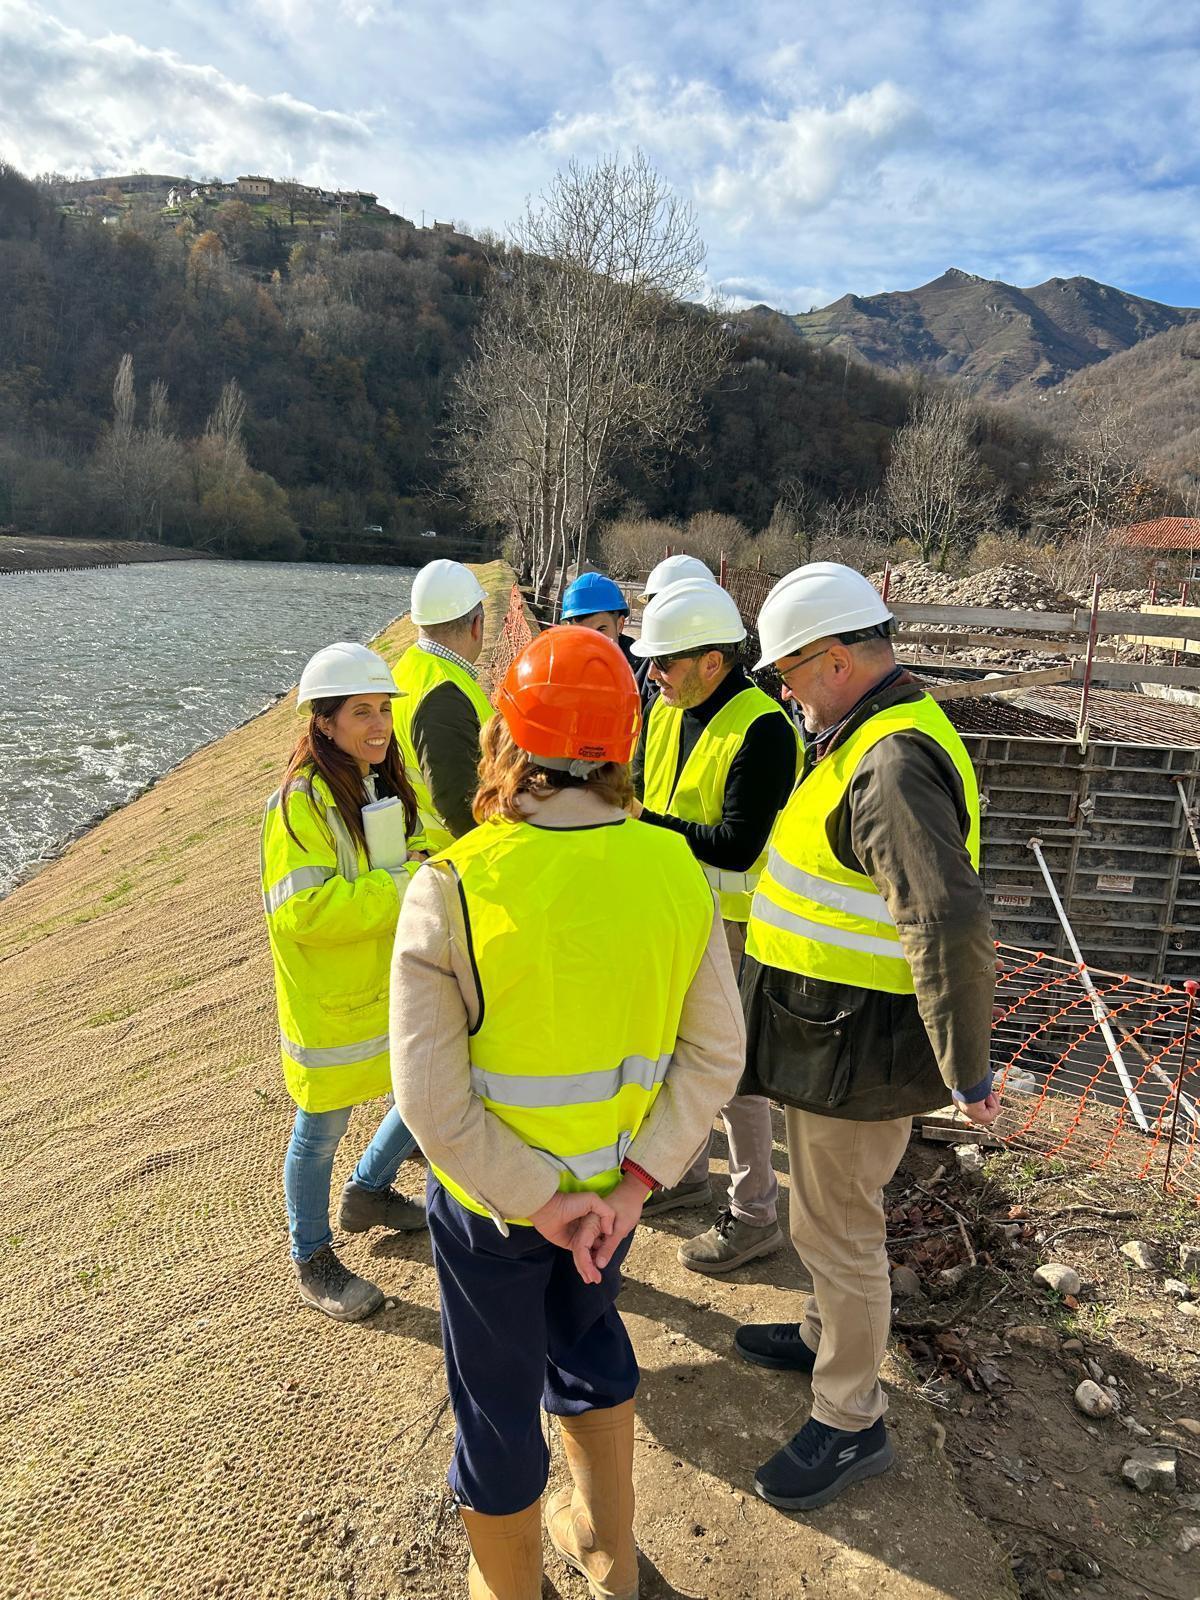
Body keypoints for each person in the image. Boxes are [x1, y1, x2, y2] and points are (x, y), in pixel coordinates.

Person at [391, 626, 745, 1600]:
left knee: (495, 1403)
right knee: (588, 1345)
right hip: (610, 1199)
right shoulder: (674, 867)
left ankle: (509, 1587)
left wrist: (539, 1200)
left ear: (508, 736)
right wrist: (630, 1188)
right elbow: (716, 1052)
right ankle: (607, 1557)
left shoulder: (453, 884)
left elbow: (430, 1102)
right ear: (622, 744)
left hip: (493, 1210)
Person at [733, 562, 998, 1512]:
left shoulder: (888, 764)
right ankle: (822, 1335)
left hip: (861, 1053)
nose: (788, 694)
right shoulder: (866, 736)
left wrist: (968, 1066)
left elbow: (946, 922)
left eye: (790, 674)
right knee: (828, 1214)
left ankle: (850, 1419)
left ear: (837, 661)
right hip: (833, 1040)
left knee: (839, 1229)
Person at [629, 578, 798, 1275]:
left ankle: (755, 1212)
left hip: (733, 924)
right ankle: (687, 1173)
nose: (652, 674)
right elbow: (646, 787)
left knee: (732, 1071)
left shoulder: (764, 728)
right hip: (674, 910)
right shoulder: (669, 708)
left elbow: (736, 845)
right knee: (677, 1054)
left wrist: (642, 826)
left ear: (712, 660)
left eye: (664, 662)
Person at [260, 642, 429, 1323]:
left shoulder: (379, 779)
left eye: (384, 709)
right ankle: (312, 1257)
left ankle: (370, 1191)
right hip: (333, 1002)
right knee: (320, 1129)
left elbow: (420, 848)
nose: (379, 725)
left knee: (420, 1091)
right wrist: (402, 886)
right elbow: (301, 911)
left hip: (389, 983)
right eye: (361, 712)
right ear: (323, 722)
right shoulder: (299, 804)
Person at [392, 558, 495, 851]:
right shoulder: (444, 693)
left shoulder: (408, 669)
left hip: (418, 849)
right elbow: (462, 810)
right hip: (451, 858)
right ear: (476, 625)